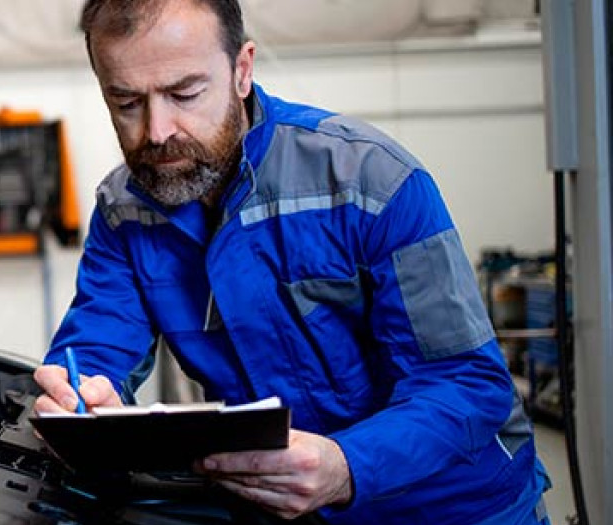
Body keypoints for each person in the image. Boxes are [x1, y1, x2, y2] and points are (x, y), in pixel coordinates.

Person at [32, 1, 552, 523]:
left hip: (452, 508)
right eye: (126, 103)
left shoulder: (371, 182)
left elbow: (465, 382)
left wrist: (348, 465)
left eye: (184, 94)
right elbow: (96, 347)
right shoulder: (124, 213)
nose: (157, 131)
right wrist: (79, 400)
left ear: (242, 71)